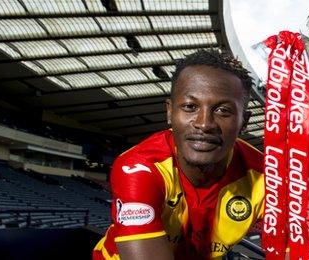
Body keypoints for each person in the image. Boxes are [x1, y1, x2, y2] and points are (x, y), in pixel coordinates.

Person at [93, 50, 264, 260]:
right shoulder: (139, 168)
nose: (204, 124)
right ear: (169, 111)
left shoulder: (267, 176)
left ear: (243, 123)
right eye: (190, 107)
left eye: (223, 111)